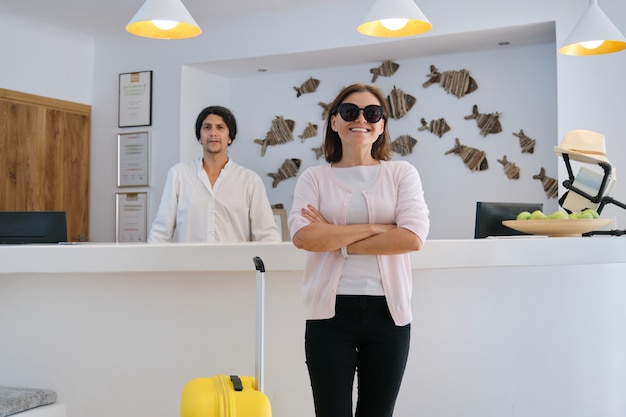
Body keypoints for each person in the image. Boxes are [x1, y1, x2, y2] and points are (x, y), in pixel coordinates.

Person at [287, 83, 430, 417]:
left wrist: (336, 238)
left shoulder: (401, 173)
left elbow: (411, 238)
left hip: (389, 314)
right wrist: (378, 227)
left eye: (372, 113)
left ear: (381, 125)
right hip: (329, 315)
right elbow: (305, 238)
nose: (361, 119)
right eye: (350, 111)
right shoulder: (315, 178)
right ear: (335, 121)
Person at [148, 105, 281, 243]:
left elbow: (267, 234)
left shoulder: (249, 180)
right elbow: (160, 233)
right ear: (200, 137)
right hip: (190, 263)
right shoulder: (179, 175)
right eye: (207, 127)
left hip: (236, 264)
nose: (213, 133)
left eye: (220, 127)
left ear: (230, 137)